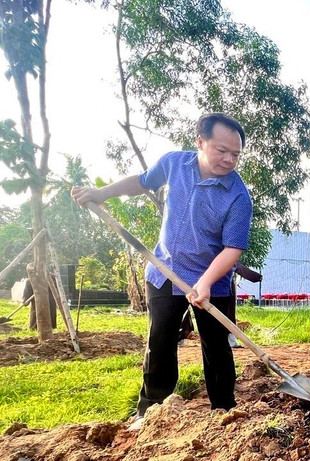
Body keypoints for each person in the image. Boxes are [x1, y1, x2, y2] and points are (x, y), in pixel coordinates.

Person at [72, 113, 252, 429]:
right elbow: (141, 182)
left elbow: (232, 249)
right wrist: (101, 194)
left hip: (213, 279)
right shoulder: (173, 164)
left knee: (216, 345)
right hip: (166, 271)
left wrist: (206, 282)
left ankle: (224, 412)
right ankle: (150, 412)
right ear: (201, 142)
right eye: (221, 150)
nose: (229, 159)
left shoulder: (238, 195)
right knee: (160, 341)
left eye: (235, 154)